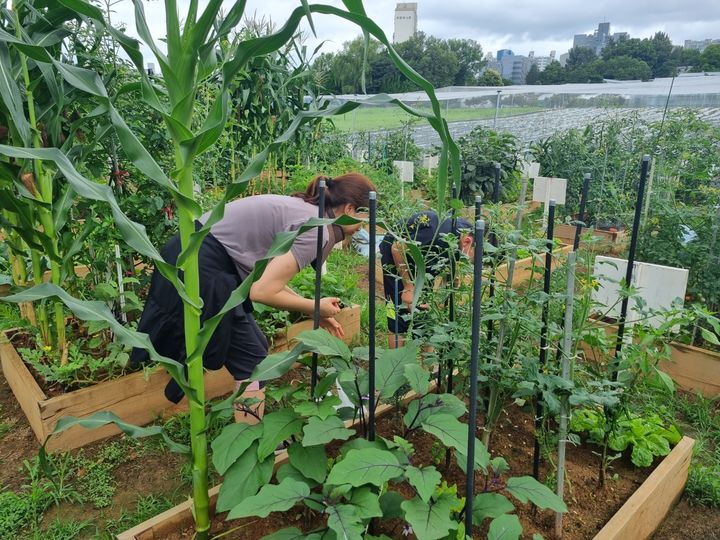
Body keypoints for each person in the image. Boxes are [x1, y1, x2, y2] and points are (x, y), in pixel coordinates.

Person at [130, 173, 375, 422]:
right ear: (350, 209)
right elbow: (262, 292)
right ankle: (249, 436)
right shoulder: (316, 229)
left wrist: (313, 311)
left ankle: (248, 428)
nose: (361, 228)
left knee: (254, 349)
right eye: (363, 220)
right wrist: (316, 306)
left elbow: (264, 280)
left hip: (193, 256)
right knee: (252, 360)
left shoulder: (307, 213)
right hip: (201, 267)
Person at [379, 210, 474, 347]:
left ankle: (427, 368)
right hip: (397, 257)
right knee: (399, 309)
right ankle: (396, 364)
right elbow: (397, 247)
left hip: (423, 259)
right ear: (467, 242)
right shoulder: (436, 234)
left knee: (425, 315)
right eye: (473, 259)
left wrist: (440, 295)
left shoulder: (463, 234)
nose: (471, 263)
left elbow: (448, 270)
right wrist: (409, 286)